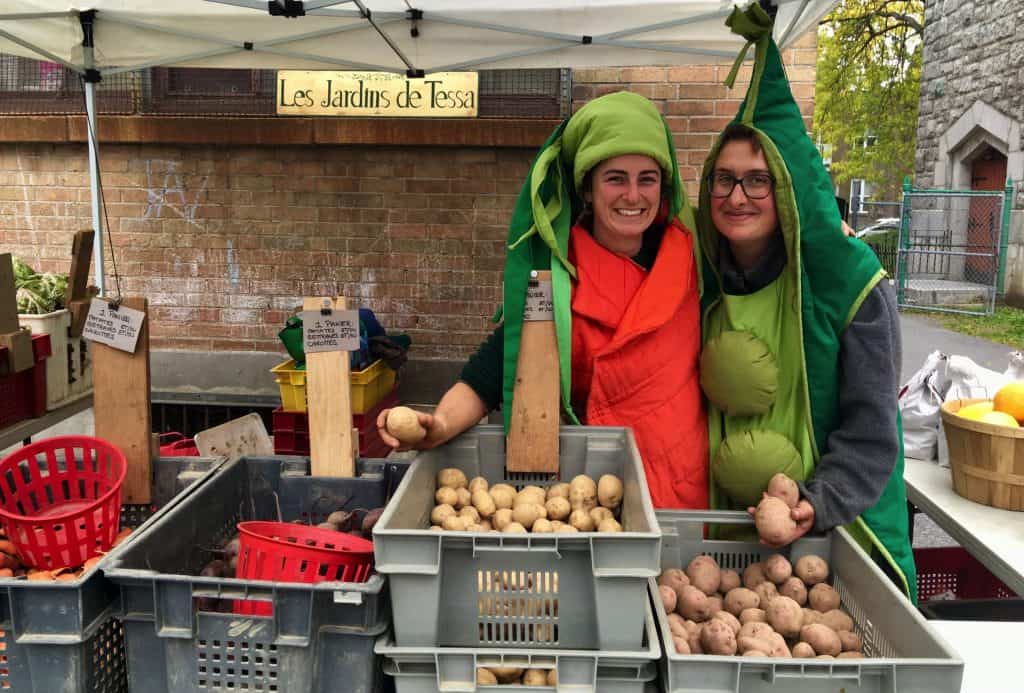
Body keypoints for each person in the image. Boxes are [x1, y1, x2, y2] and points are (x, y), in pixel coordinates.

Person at [378, 90, 709, 509]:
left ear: (663, 187)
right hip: (595, 496)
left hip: (684, 485)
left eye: (647, 178)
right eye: (615, 178)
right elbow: (498, 365)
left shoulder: (693, 257)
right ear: (587, 189)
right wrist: (437, 425)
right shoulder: (555, 275)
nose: (633, 195)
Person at [696, 4, 917, 601]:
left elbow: (873, 432)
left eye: (758, 180)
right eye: (723, 178)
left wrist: (815, 501)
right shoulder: (700, 280)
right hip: (721, 553)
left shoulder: (854, 287)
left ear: (789, 192)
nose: (737, 195)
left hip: (831, 545)